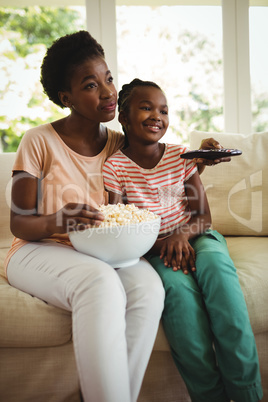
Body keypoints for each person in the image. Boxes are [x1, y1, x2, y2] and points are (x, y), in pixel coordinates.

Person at [3, 30, 233, 402]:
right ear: (67, 98)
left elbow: (159, 174)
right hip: (37, 248)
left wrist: (202, 160)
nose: (108, 91)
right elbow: (19, 223)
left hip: (102, 252)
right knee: (100, 283)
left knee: (148, 289)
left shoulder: (118, 142)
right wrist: (59, 219)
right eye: (91, 85)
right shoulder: (38, 140)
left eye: (108, 78)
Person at [102, 78, 263, 402]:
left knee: (219, 275)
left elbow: (203, 216)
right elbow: (120, 228)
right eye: (146, 107)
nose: (156, 116)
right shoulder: (115, 168)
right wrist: (166, 245)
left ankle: (246, 392)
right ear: (124, 117)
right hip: (155, 250)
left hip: (198, 236)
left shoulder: (181, 156)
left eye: (163, 110)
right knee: (179, 300)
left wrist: (180, 236)